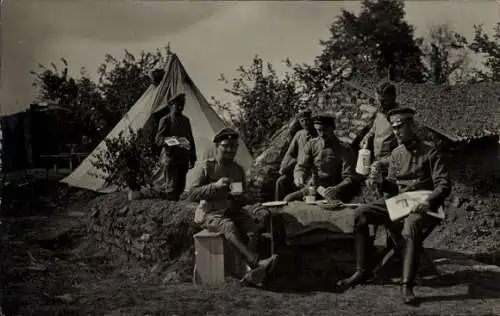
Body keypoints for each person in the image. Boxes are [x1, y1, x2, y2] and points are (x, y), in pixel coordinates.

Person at [337, 108, 451, 305]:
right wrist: (380, 182)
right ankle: (361, 271)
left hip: (426, 205)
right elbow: (392, 186)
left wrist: (429, 200)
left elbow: (443, 184)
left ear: (411, 125)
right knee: (360, 214)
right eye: (394, 128)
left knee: (411, 226)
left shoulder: (430, 151)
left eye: (400, 127)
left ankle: (406, 284)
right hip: (401, 201)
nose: (397, 132)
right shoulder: (397, 154)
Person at [187, 127, 278, 287]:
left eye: (234, 146)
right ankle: (256, 263)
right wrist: (214, 186)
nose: (230, 150)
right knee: (229, 227)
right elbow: (191, 194)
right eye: (226, 146)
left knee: (253, 229)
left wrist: (244, 197)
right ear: (217, 146)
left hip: (233, 210)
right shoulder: (206, 167)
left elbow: (244, 198)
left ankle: (247, 271)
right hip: (210, 212)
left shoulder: (238, 170)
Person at [284, 114, 357, 203]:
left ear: (333, 128)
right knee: (288, 199)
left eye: (325, 130)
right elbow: (301, 166)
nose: (322, 134)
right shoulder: (312, 144)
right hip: (314, 188)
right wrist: (298, 176)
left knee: (329, 207)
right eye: (318, 130)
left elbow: (349, 177)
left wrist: (337, 188)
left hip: (333, 191)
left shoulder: (344, 149)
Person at [152, 92, 197, 201]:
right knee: (171, 189)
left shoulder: (186, 121)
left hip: (183, 158)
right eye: (177, 104)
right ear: (171, 105)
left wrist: (193, 156)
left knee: (181, 188)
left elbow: (190, 139)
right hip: (171, 157)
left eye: (182, 104)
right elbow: (158, 140)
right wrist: (175, 141)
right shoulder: (165, 120)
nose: (180, 107)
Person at [359, 81, 399, 188]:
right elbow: (374, 128)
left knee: (390, 197)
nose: (380, 105)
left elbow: (404, 151)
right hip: (378, 165)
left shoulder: (400, 118)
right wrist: (367, 136)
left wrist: (383, 162)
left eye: (384, 101)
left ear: (394, 97)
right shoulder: (380, 113)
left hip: (393, 168)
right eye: (378, 101)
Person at [275, 109, 317, 201]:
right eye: (302, 121)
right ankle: (278, 206)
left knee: (307, 189)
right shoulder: (299, 135)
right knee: (281, 181)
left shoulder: (317, 135)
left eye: (307, 120)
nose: (305, 122)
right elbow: (290, 153)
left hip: (312, 173)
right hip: (298, 171)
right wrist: (284, 167)